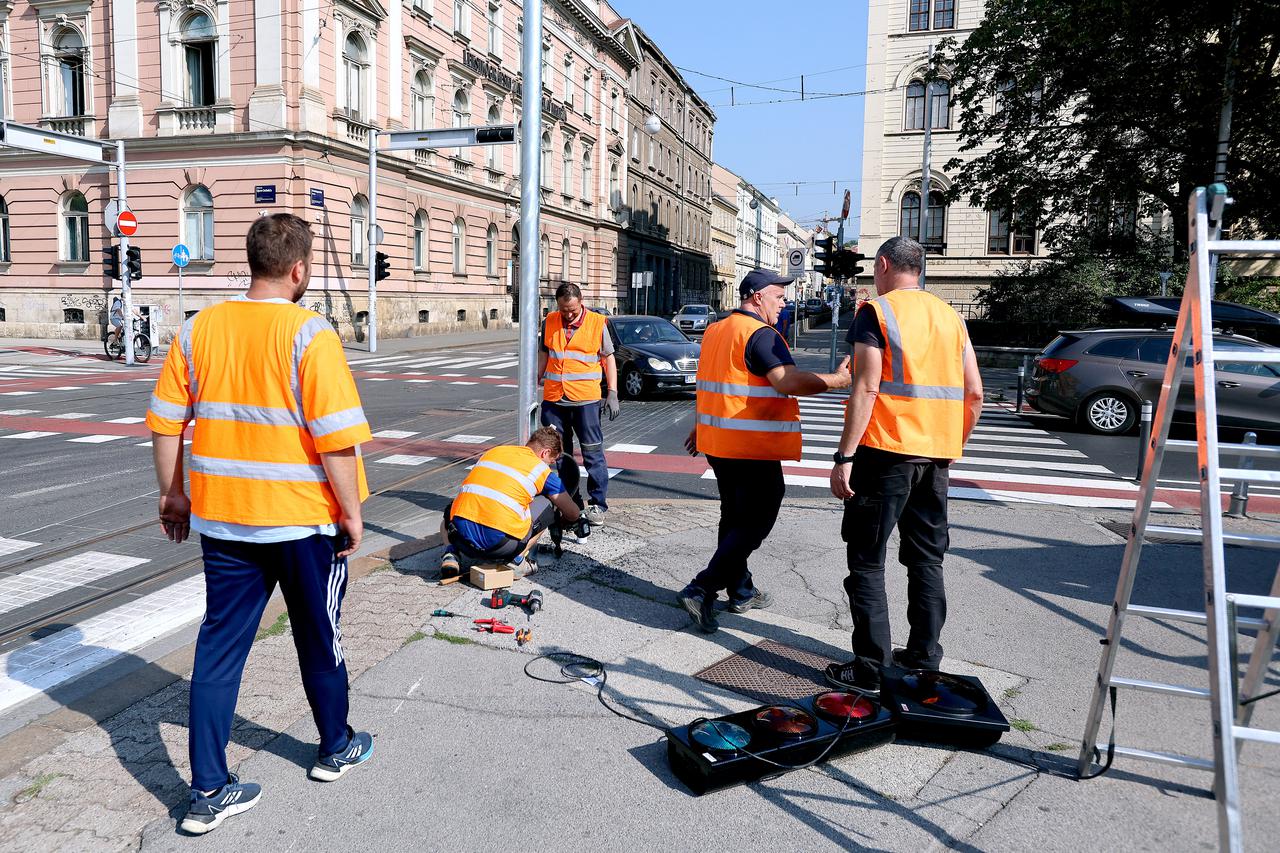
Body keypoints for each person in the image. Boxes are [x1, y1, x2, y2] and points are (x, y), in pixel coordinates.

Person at [146, 213, 375, 835]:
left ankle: (208, 791)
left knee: (218, 651)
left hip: (225, 524)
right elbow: (336, 442)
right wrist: (352, 515)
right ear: (299, 270)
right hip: (303, 524)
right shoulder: (310, 334)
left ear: (250, 261)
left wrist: (175, 497)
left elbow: (168, 424)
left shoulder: (199, 330)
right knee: (319, 638)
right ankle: (335, 747)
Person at [825, 236, 984, 694]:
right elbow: (974, 394)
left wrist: (845, 456)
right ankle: (923, 656)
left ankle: (871, 671)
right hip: (934, 458)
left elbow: (866, 388)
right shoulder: (951, 317)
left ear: (883, 265)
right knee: (926, 560)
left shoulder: (876, 312)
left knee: (868, 562)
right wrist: (952, 443)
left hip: (884, 453)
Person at [677, 269, 852, 633]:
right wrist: (838, 380)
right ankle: (702, 587)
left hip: (719, 443)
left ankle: (740, 590)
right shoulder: (760, 335)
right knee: (756, 520)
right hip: (750, 447)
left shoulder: (716, 329)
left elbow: (712, 384)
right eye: (778, 296)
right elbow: (786, 381)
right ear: (757, 297)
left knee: (735, 516)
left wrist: (700, 426)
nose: (784, 302)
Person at [439, 427, 585, 579]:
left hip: (460, 538)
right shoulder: (542, 470)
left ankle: (451, 554)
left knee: (453, 508)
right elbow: (573, 513)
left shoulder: (495, 452)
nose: (549, 465)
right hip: (500, 547)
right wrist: (563, 520)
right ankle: (517, 562)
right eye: (551, 461)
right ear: (545, 453)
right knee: (548, 506)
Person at [538, 282, 619, 526]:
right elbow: (545, 353)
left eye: (572, 309)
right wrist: (536, 377)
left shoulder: (597, 323)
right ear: (558, 305)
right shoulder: (550, 321)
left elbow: (608, 358)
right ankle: (572, 501)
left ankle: (598, 505)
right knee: (559, 455)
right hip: (554, 399)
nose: (569, 314)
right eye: (564, 310)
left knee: (592, 452)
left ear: (580, 301)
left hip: (585, 400)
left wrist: (612, 392)